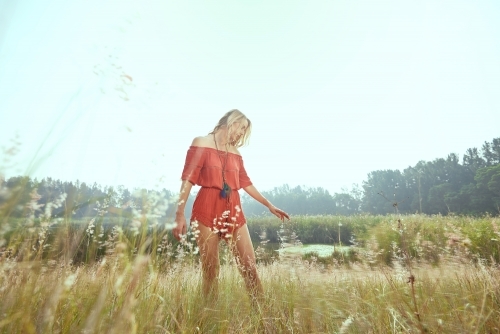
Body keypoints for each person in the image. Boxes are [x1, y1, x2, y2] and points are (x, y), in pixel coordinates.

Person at [173, 109, 289, 303]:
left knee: (250, 267)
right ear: (232, 122)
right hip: (206, 208)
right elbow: (188, 179)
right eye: (242, 127)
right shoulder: (201, 142)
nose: (242, 133)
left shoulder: (235, 153)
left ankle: (263, 318)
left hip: (234, 210)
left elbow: (246, 182)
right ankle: (210, 319)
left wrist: (269, 204)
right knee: (211, 271)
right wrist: (179, 214)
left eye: (245, 130)